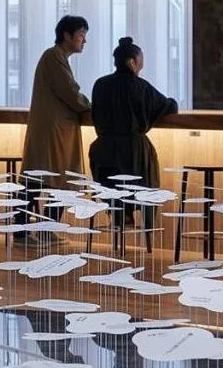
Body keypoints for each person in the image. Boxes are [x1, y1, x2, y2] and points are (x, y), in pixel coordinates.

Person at [16, 15, 90, 243]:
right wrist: (88, 105)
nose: (83, 41)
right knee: (43, 180)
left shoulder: (57, 57)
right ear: (66, 36)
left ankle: (41, 229)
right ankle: (24, 230)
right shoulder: (53, 56)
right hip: (53, 131)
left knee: (48, 179)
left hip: (57, 129)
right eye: (80, 36)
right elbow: (69, 91)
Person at [89, 36, 178, 224]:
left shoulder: (100, 85)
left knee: (114, 181)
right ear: (131, 62)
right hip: (133, 153)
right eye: (140, 61)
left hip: (103, 151)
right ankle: (142, 223)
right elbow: (168, 106)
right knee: (144, 172)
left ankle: (120, 213)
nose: (141, 66)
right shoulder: (140, 87)